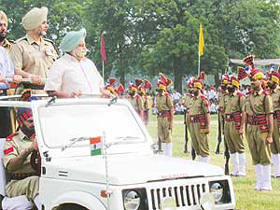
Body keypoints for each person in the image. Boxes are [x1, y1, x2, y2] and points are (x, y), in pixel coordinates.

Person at [44, 28, 109, 98]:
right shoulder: (59, 64)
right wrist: (69, 95)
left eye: (84, 45)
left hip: (95, 106)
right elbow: (51, 91)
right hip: (72, 107)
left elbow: (100, 86)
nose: (84, 48)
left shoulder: (89, 63)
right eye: (80, 46)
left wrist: (104, 92)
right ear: (71, 47)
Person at [2, 108, 41, 209]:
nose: (34, 124)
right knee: (35, 181)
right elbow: (10, 167)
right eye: (30, 121)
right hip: (17, 183)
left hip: (42, 178)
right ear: (21, 121)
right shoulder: (11, 141)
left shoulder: (42, 138)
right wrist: (29, 150)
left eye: (35, 120)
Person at [242, 68, 274, 191]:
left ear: (261, 81)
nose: (252, 82)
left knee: (264, 154)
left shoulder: (266, 97)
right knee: (255, 154)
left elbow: (269, 115)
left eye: (254, 80)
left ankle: (267, 183)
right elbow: (245, 112)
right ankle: (259, 181)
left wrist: (270, 134)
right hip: (250, 127)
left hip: (262, 128)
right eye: (251, 80)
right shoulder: (248, 96)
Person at [10, 7, 58, 85]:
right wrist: (30, 76)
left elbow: (57, 68)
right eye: (43, 23)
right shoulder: (19, 46)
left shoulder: (49, 45)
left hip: (50, 92)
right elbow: (16, 70)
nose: (46, 26)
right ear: (34, 25)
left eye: (46, 23)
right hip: (29, 93)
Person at [222, 76, 246, 177]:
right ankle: (235, 169)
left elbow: (243, 112)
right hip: (227, 122)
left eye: (230, 84)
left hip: (236, 122)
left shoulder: (240, 96)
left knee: (239, 147)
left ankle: (242, 170)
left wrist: (241, 127)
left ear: (235, 85)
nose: (228, 86)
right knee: (231, 147)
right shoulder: (226, 96)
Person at [0, 47, 22, 138]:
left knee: (4, 133)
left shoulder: (2, 51)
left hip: (2, 96)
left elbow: (9, 73)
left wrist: (14, 77)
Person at [188, 77, 210, 163]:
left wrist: (207, 127)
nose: (192, 89)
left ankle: (206, 164)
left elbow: (207, 113)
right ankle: (200, 163)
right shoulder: (192, 99)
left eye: (194, 88)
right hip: (193, 124)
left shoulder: (203, 99)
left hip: (200, 124)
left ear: (198, 88)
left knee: (203, 145)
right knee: (196, 144)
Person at [155, 73, 174, 156]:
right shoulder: (157, 96)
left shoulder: (167, 96)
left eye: (160, 90)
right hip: (159, 117)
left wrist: (171, 122)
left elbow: (171, 108)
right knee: (160, 134)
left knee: (168, 136)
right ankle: (162, 152)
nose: (159, 92)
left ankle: (168, 154)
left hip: (166, 117)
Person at [267, 71, 280, 178]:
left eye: (270, 79)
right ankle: (276, 171)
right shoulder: (268, 93)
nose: (268, 81)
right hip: (270, 120)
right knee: (273, 146)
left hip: (278, 120)